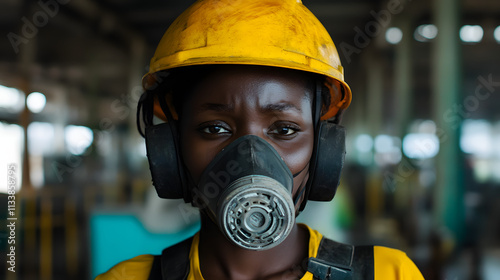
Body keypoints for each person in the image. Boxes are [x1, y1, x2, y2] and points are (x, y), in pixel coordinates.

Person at [96, 0, 425, 279]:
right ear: (170, 149)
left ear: (324, 149)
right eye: (215, 128)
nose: (249, 158)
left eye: (284, 130)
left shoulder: (387, 273)